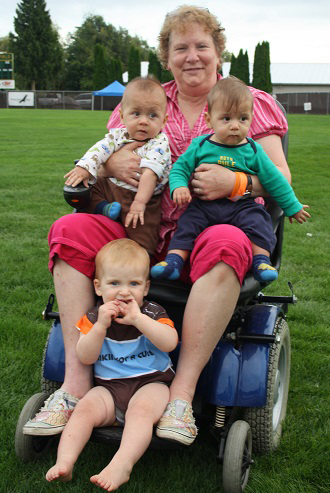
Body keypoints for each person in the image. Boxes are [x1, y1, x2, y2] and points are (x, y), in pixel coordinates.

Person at [24, 5, 292, 446]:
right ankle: (74, 386)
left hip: (213, 229)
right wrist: (109, 162)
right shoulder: (147, 96)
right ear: (166, 57)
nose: (192, 56)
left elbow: (280, 180)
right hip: (137, 229)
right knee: (69, 230)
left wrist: (238, 180)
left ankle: (181, 399)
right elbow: (108, 148)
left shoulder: (251, 102)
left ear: (218, 51)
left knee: (226, 240)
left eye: (201, 46)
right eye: (180, 47)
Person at [45, 239, 178, 489]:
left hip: (151, 383)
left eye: (134, 284)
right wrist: (100, 327)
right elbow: (85, 356)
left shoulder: (151, 312)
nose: (124, 292)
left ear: (146, 288)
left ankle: (122, 464)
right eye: (114, 283)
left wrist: (139, 320)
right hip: (108, 388)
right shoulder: (94, 318)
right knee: (83, 410)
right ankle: (65, 462)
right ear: (98, 287)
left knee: (140, 413)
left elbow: (170, 342)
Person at [151, 77, 310, 283]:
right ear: (210, 120)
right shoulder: (201, 145)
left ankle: (261, 260)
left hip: (241, 206)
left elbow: (275, 180)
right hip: (204, 206)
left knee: (258, 222)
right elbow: (180, 167)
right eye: (226, 119)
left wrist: (293, 206)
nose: (235, 126)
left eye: (242, 119)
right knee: (188, 223)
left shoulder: (253, 150)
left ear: (251, 118)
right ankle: (174, 261)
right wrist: (179, 186)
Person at [64, 76, 171, 255]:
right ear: (122, 116)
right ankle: (103, 208)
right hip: (111, 186)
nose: (144, 121)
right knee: (91, 186)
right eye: (136, 114)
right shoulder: (118, 135)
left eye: (152, 115)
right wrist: (84, 167)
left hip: (140, 196)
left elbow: (150, 175)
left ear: (164, 121)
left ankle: (142, 262)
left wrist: (139, 203)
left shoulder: (159, 143)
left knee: (142, 234)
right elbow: (99, 149)